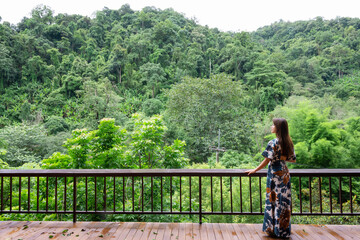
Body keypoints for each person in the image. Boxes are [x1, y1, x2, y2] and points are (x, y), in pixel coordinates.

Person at [245, 118, 296, 238]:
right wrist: (281, 158)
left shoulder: (273, 142)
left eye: (273, 125)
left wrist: (255, 170)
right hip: (284, 173)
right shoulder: (288, 142)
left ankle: (272, 229)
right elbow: (292, 159)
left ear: (278, 128)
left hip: (274, 174)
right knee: (283, 202)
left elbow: (267, 159)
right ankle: (282, 231)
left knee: (273, 201)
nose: (271, 127)